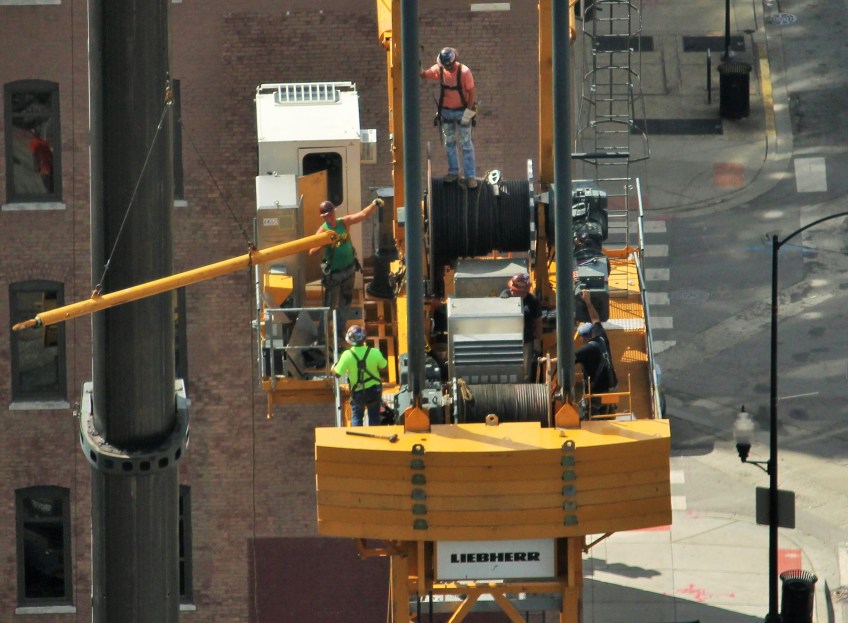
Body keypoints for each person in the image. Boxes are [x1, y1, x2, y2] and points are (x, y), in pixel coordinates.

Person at [309, 197, 382, 331]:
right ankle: (321, 337)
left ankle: (340, 333)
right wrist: (323, 243)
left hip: (349, 270)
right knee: (329, 306)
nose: (329, 217)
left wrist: (373, 204)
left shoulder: (343, 223)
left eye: (330, 214)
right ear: (323, 218)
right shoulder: (323, 230)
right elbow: (311, 251)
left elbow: (362, 215)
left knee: (345, 303)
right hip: (334, 275)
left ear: (334, 212)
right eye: (326, 216)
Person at [420, 47, 478, 188]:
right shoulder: (439, 70)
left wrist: (468, 113)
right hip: (446, 112)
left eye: (449, 65)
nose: (448, 68)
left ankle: (470, 176)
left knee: (466, 143)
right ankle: (453, 172)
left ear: (454, 62)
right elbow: (423, 75)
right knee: (449, 143)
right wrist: (417, 63)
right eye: (445, 66)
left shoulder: (464, 72)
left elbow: (471, 94)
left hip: (462, 111)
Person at [332, 324, 388, 427]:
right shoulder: (375, 352)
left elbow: (337, 374)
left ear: (350, 340)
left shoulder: (347, 355)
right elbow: (384, 366)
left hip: (358, 392)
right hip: (374, 390)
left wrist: (333, 368)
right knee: (374, 417)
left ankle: (357, 440)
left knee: (357, 417)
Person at [574, 289, 618, 415]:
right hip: (613, 386)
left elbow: (567, 360)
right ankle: (610, 414)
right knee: (610, 410)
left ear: (583, 337)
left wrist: (548, 360)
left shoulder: (585, 350)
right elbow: (595, 319)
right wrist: (588, 302)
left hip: (599, 392)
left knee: (595, 413)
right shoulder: (601, 336)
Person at [499, 272, 542, 382]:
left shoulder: (533, 302)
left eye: (515, 289)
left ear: (525, 289)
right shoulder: (506, 295)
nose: (512, 290)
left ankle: (523, 388)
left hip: (526, 341)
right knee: (506, 366)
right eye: (511, 288)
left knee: (525, 369)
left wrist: (537, 342)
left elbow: (538, 322)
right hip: (507, 340)